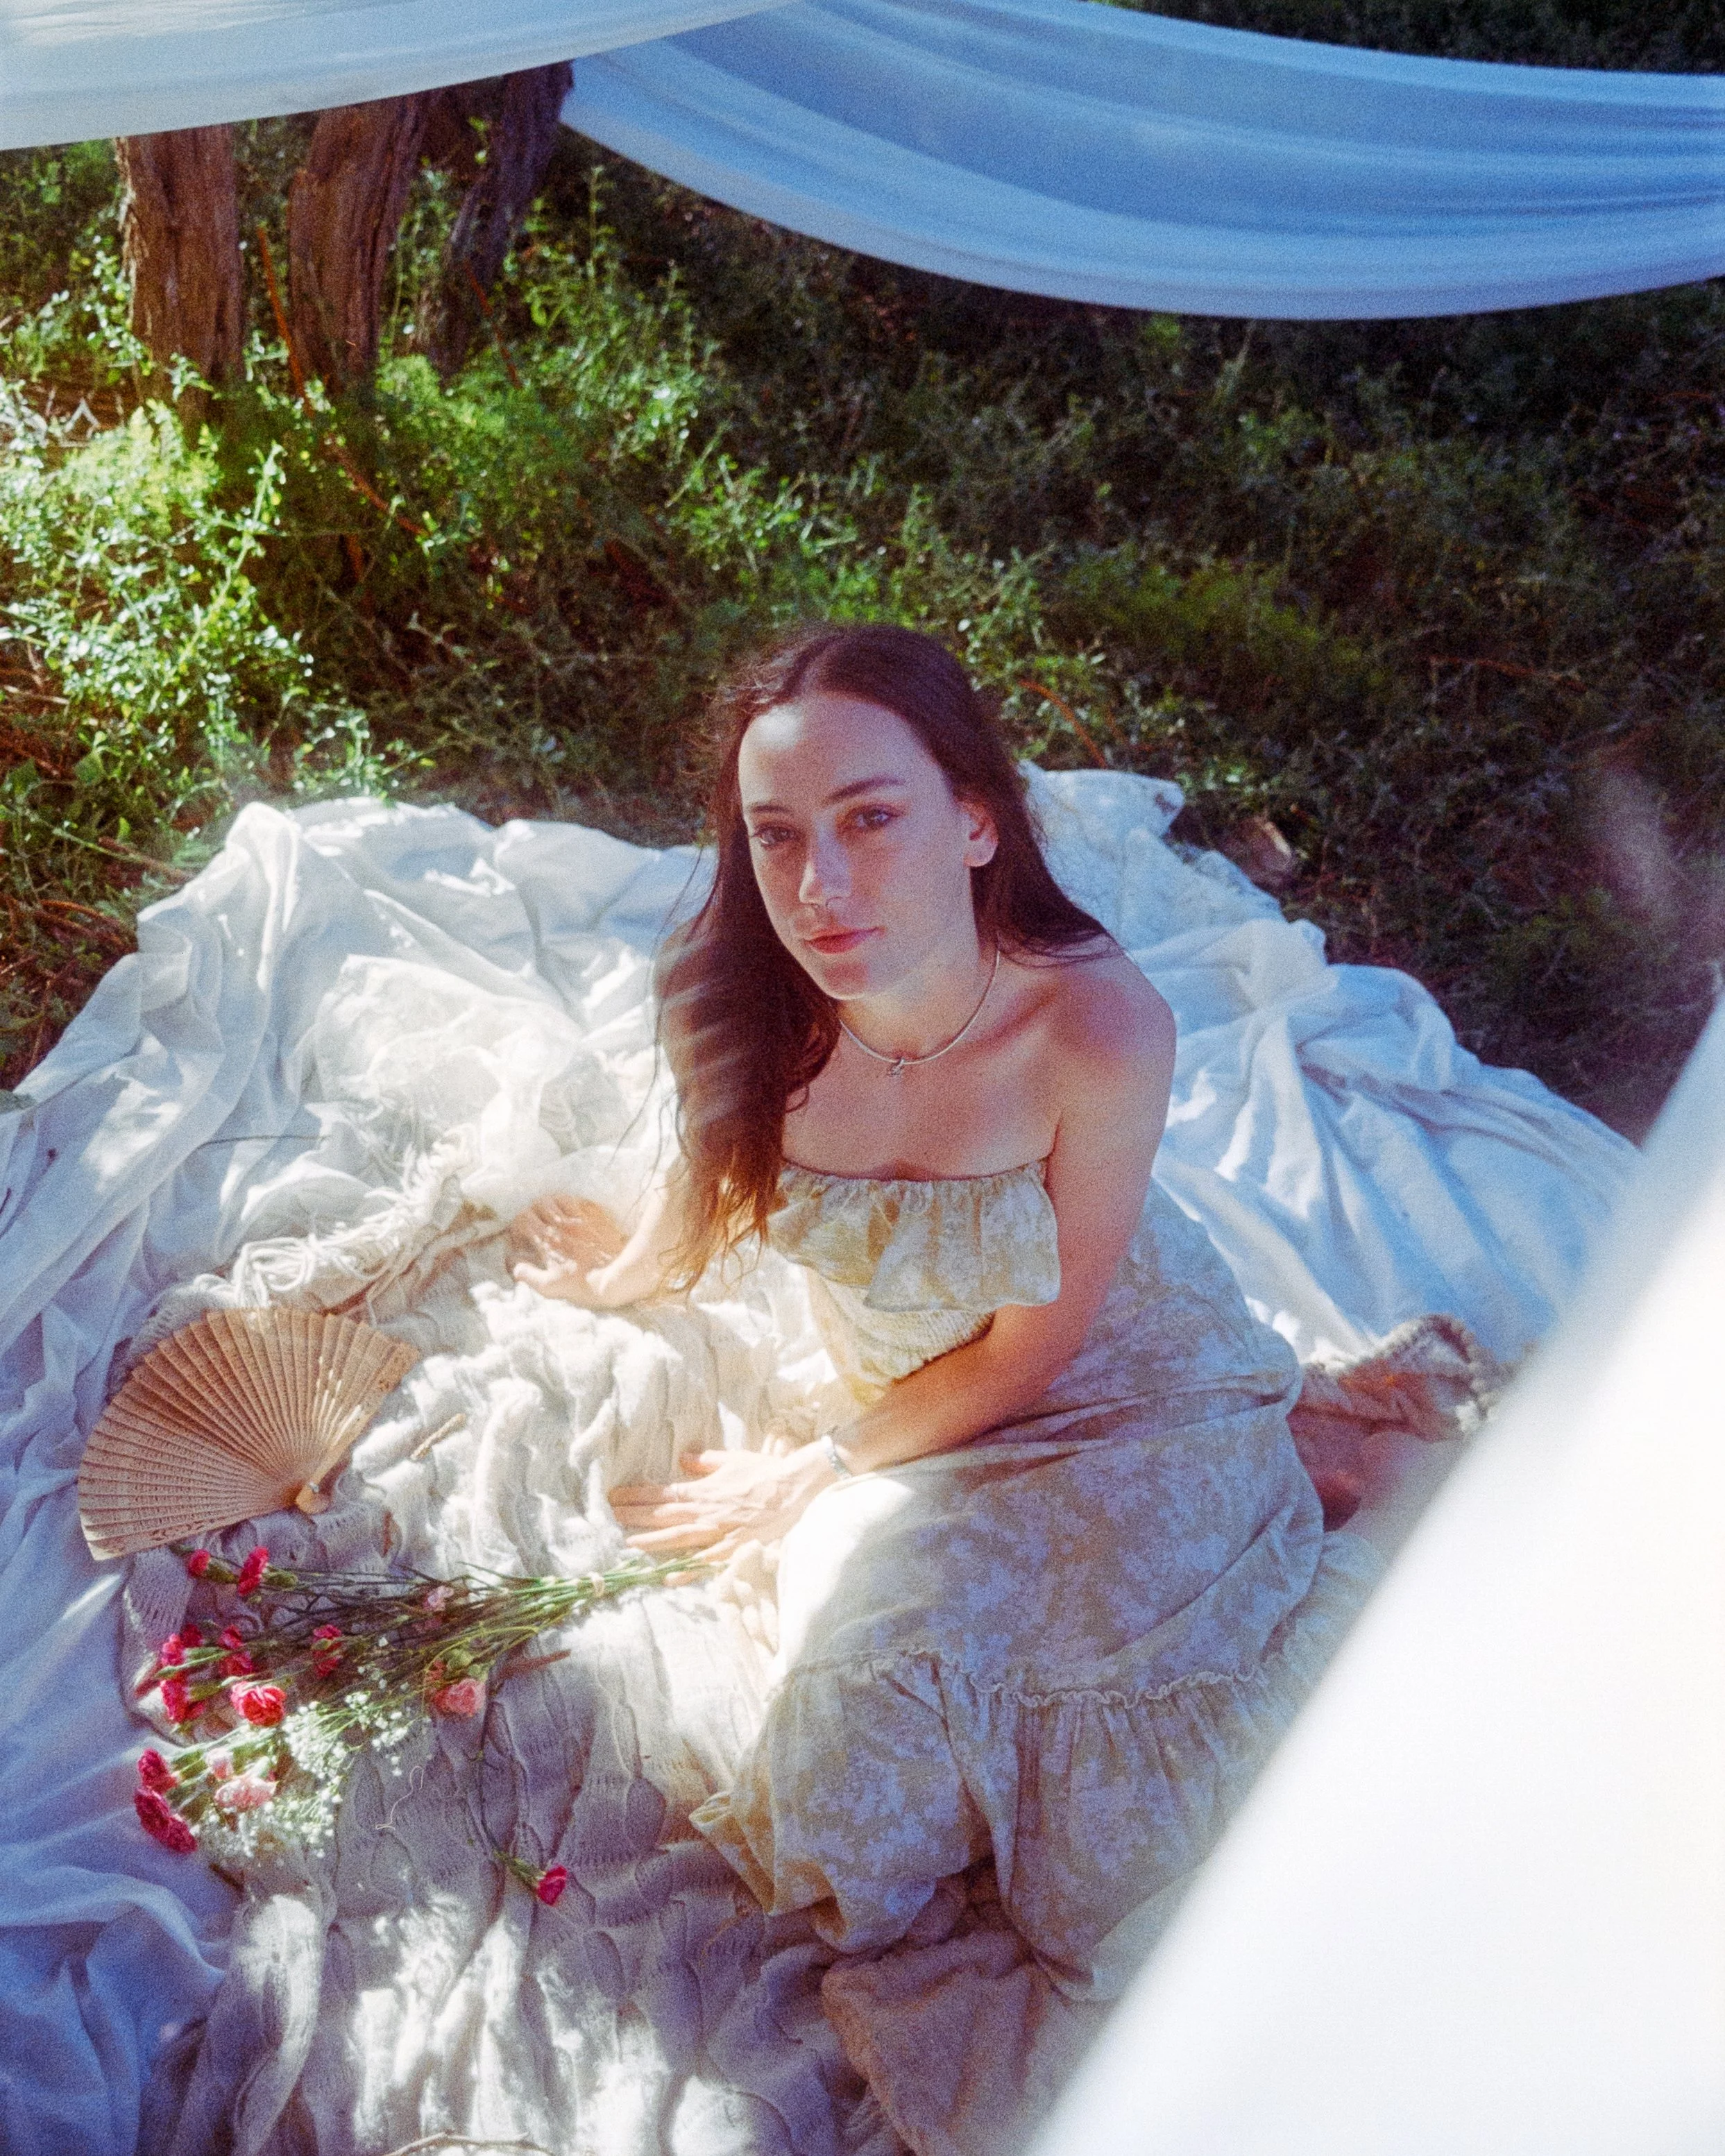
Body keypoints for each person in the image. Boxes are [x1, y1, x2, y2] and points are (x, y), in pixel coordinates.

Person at [505, 622, 1390, 2144]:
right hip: (920, 1414)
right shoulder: (740, 992)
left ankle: (1327, 1475)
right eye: (776, 836)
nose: (821, 888)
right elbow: (708, 1167)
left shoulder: (1097, 1025)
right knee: (849, 1770)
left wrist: (821, 1462)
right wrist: (629, 1268)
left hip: (1115, 1376)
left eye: (872, 818)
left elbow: (1042, 1344)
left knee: (1139, 1855)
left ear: (974, 819)